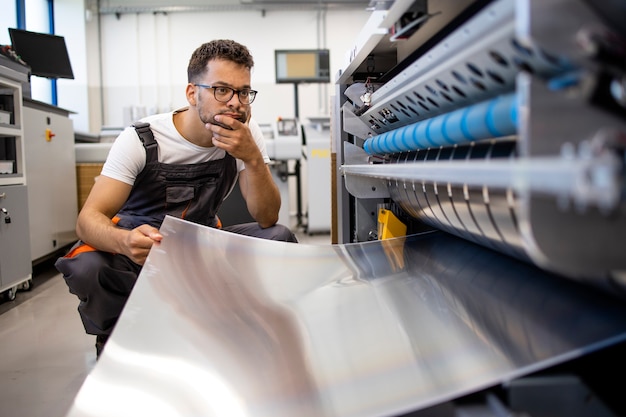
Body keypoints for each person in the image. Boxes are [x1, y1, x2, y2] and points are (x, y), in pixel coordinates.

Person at [55, 39, 298, 357]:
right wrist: (125, 241)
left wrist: (252, 158)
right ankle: (116, 340)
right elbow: (87, 221)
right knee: (89, 265)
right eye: (222, 90)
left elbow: (268, 218)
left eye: (243, 92)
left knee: (278, 238)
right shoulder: (141, 139)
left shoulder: (247, 134)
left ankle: (243, 325)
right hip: (138, 255)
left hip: (201, 246)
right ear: (192, 93)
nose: (236, 103)